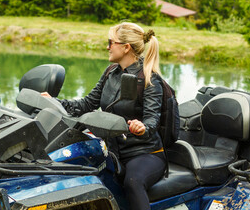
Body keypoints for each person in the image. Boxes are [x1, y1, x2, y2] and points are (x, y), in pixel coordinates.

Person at [42, 22, 165, 210]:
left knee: (133, 182)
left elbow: (152, 120)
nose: (107, 47)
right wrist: (55, 101)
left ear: (126, 47)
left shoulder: (150, 79)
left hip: (143, 153)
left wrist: (142, 127)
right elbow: (87, 104)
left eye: (111, 42)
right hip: (111, 150)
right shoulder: (110, 73)